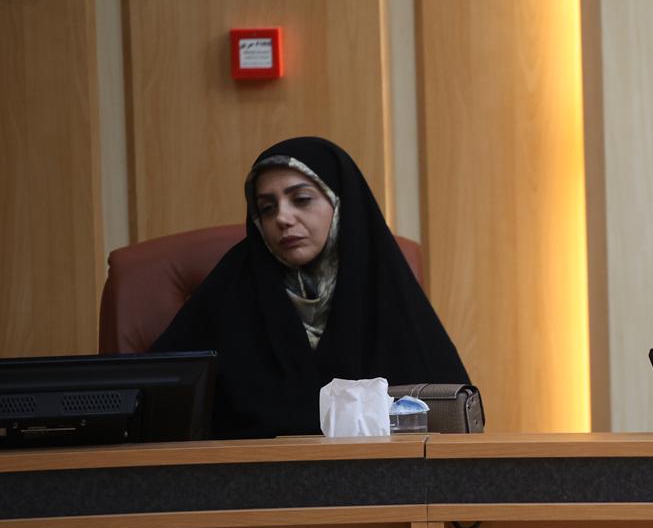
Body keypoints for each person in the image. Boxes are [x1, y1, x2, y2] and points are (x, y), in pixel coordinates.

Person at [152, 136, 469, 438]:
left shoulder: (383, 285)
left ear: (340, 202)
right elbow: (155, 400)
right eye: (267, 208)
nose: (283, 218)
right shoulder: (231, 287)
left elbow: (449, 418)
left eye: (301, 199)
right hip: (249, 471)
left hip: (379, 473)